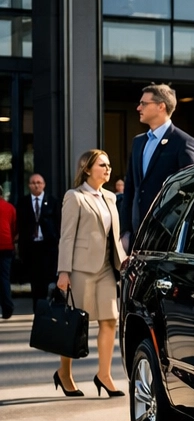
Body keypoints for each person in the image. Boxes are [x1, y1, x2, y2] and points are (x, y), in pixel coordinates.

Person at [55, 150, 128, 397]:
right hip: (80, 269)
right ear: (87, 169)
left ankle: (104, 375)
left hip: (107, 267)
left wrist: (125, 261)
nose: (108, 168)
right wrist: (63, 271)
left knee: (110, 320)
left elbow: (113, 235)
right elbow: (66, 237)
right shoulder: (74, 197)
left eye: (109, 164)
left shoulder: (110, 197)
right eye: (102, 164)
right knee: (75, 325)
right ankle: (64, 372)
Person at [121, 83, 194, 246]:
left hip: (167, 237)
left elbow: (193, 191)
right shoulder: (138, 142)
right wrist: (125, 231)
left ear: (161, 106)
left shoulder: (183, 142)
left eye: (143, 103)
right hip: (137, 236)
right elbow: (130, 189)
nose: (138, 108)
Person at [17, 174, 59, 311]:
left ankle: (47, 306)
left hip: (48, 246)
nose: (36, 185)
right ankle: (38, 308)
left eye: (39, 182)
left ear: (44, 184)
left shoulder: (52, 201)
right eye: (33, 183)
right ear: (29, 185)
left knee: (48, 279)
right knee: (35, 280)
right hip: (31, 247)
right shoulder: (23, 202)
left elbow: (58, 222)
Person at [0, 191, 14, 319]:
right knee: (4, 278)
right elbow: (14, 226)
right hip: (6, 245)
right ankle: (7, 308)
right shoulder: (9, 207)